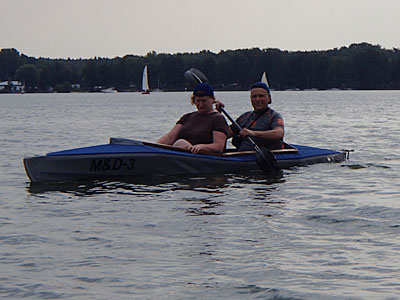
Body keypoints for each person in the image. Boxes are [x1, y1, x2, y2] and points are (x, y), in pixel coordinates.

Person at [157, 82, 229, 154]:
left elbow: (219, 146)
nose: (201, 104)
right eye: (198, 101)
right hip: (181, 152)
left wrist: (201, 147)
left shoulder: (218, 118)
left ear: (212, 100)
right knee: (180, 143)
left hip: (201, 156)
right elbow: (170, 137)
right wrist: (153, 147)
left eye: (204, 101)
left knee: (180, 143)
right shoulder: (187, 117)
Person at [216, 82, 284, 151]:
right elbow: (224, 134)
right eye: (254, 96)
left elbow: (279, 133)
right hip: (242, 155)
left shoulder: (274, 116)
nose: (257, 100)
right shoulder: (245, 117)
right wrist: (218, 114)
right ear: (251, 99)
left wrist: (253, 133)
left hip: (263, 155)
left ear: (268, 98)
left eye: (261, 96)